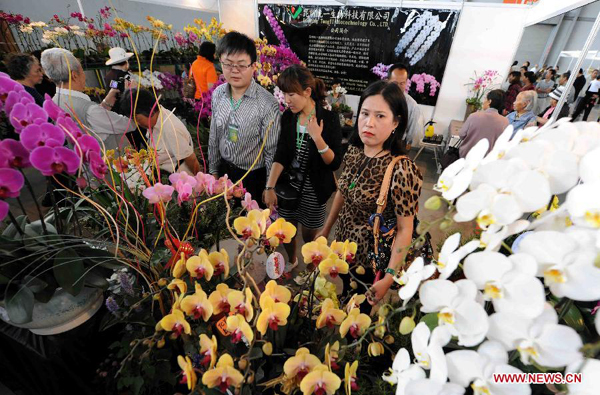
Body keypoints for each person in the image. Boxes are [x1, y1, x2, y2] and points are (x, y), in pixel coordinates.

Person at [317, 81, 423, 307]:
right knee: (345, 294)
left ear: (396, 122)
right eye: (364, 113)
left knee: (359, 311)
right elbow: (342, 193)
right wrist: (326, 229)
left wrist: (389, 277)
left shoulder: (402, 170)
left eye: (380, 116)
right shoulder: (355, 151)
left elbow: (406, 228)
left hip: (372, 260)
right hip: (344, 249)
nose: (369, 123)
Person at [263, 65, 343, 270]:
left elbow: (334, 163)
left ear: (307, 92)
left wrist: (317, 138)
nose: (286, 100)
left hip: (315, 189)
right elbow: (281, 152)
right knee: (288, 229)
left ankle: (310, 268)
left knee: (309, 233)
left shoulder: (329, 118)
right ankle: (292, 260)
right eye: (284, 94)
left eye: (291, 94)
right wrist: (270, 186)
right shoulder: (288, 117)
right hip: (289, 186)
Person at [208, 31, 281, 204]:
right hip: (224, 171)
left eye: (241, 65)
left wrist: (269, 187)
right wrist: (213, 172)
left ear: (253, 67)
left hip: (252, 177)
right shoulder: (218, 94)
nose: (234, 71)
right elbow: (214, 135)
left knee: (250, 228)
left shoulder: (267, 103)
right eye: (228, 64)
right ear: (220, 63)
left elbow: (271, 150)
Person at [41, 48, 136, 150]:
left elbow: (91, 120)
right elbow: (128, 124)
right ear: (74, 75)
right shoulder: (90, 110)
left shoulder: (54, 102)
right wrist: (131, 95)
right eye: (82, 70)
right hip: (111, 161)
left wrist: (106, 103)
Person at [120, 89, 200, 175]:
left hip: (182, 181)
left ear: (150, 110)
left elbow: (191, 159)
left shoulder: (169, 128)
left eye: (138, 119)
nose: (138, 124)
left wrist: (200, 183)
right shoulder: (155, 122)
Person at [104, 47, 145, 149]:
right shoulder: (125, 76)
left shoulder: (109, 75)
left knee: (131, 143)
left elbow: (112, 91)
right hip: (130, 113)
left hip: (117, 115)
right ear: (126, 62)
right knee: (141, 138)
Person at [459, 89, 508, 158]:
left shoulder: (474, 116)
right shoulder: (505, 121)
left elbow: (462, 135)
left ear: (489, 101)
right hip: (486, 159)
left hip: (467, 155)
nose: (483, 101)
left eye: (485, 98)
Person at [387, 63, 424, 147]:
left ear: (406, 82)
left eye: (402, 83)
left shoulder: (412, 105)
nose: (398, 87)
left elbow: (413, 133)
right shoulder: (379, 98)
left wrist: (407, 148)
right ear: (387, 81)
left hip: (397, 144)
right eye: (395, 83)